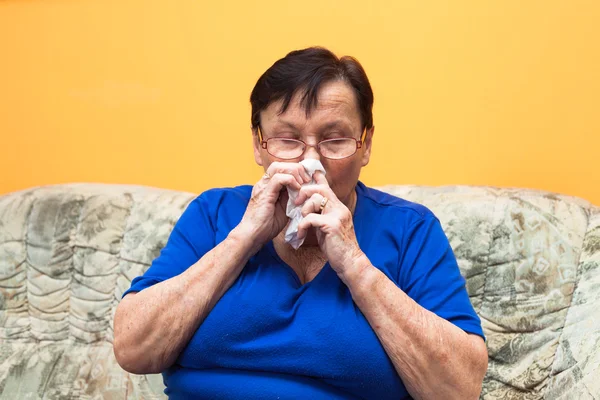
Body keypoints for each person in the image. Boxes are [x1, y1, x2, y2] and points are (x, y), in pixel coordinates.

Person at [113, 47, 488, 400]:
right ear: (259, 146)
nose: (312, 163)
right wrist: (243, 239)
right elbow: (133, 348)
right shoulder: (214, 213)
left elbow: (459, 389)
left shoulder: (411, 230)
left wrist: (355, 265)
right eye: (287, 140)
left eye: (334, 139)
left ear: (366, 144)